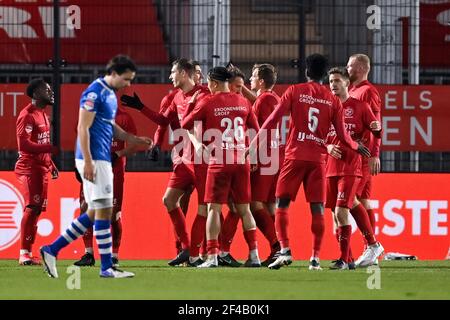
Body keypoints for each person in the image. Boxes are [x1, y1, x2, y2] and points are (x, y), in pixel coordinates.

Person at [248, 54, 371, 270]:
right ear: (325, 75)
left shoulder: (295, 91)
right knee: (317, 209)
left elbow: (272, 120)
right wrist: (355, 146)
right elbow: (343, 136)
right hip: (318, 160)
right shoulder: (332, 100)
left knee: (281, 204)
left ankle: (285, 250)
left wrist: (253, 146)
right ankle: (315, 258)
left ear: (306, 71)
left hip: (294, 156)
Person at [40, 55, 152, 278]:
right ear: (115, 74)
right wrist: (89, 161)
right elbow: (83, 127)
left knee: (95, 211)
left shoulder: (109, 95)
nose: (129, 84)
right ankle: (106, 266)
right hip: (95, 159)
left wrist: (134, 139)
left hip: (101, 159)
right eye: (127, 79)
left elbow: (110, 125)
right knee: (104, 210)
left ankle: (52, 250)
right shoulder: (94, 92)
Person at [121, 58, 210, 266]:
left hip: (202, 158)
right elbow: (163, 120)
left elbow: (200, 122)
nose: (170, 76)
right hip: (182, 158)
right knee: (170, 200)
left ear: (183, 73)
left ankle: (205, 253)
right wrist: (141, 107)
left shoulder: (204, 95)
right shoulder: (176, 97)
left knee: (206, 208)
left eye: (173, 72)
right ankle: (185, 249)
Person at [181, 66, 261, 268]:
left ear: (214, 83)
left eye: (209, 83)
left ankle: (213, 256)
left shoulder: (207, 101)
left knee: (213, 209)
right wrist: (250, 152)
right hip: (241, 162)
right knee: (245, 210)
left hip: (219, 162)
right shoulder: (243, 102)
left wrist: (198, 143)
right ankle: (255, 255)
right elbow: (258, 131)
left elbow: (185, 124)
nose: (208, 86)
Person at [326, 67, 384, 269]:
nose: (333, 84)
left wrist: (376, 131)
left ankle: (349, 256)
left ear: (347, 84)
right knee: (337, 212)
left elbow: (375, 130)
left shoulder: (360, 106)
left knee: (342, 210)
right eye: (331, 81)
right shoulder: (327, 108)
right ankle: (353, 255)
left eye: (337, 81)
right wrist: (328, 146)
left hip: (352, 166)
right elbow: (319, 136)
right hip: (330, 167)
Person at [74, 105, 139, 267]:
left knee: (113, 215)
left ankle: (114, 255)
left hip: (114, 172)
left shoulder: (124, 117)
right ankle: (88, 253)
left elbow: (134, 145)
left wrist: (118, 154)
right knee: (85, 208)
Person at [15, 79, 59, 265]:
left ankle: (28, 253)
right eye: (47, 89)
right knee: (32, 208)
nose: (51, 92)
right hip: (29, 168)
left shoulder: (43, 114)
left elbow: (41, 144)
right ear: (36, 94)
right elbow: (23, 144)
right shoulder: (27, 115)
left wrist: (51, 163)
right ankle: (23, 253)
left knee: (37, 211)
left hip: (42, 169)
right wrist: (47, 149)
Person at [346, 53, 383, 266]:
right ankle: (371, 252)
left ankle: (372, 245)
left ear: (360, 68)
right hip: (355, 155)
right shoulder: (353, 91)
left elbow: (376, 124)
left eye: (349, 66)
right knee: (364, 200)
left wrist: (374, 154)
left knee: (350, 200)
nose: (346, 68)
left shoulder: (368, 91)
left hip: (362, 156)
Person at [248, 63, 282, 267]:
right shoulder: (271, 98)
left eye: (252, 77)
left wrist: (252, 155)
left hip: (264, 155)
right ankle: (277, 249)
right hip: (273, 154)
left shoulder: (265, 100)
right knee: (270, 205)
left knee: (254, 204)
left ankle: (278, 246)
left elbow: (262, 130)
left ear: (261, 81)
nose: (250, 79)